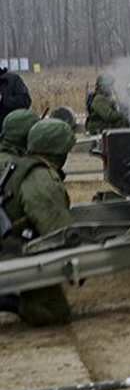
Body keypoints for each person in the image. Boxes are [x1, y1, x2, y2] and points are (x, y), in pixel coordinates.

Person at [0, 118, 76, 326]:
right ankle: (8, 301)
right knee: (53, 312)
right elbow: (59, 232)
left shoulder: (16, 164)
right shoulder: (40, 177)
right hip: (13, 249)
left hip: (9, 240)